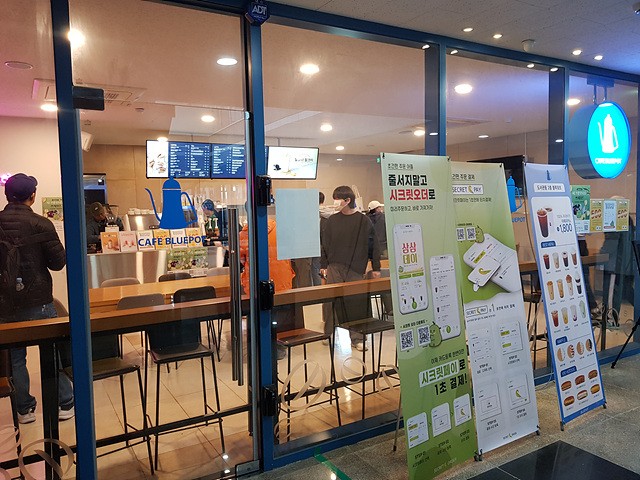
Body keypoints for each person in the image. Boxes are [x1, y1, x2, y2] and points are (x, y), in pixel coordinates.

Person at [0, 173, 74, 423]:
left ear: (7, 195)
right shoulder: (42, 224)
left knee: (15, 358)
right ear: (32, 196)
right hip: (39, 301)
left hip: (5, 304)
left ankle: (24, 410)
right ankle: (65, 403)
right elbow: (58, 263)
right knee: (50, 352)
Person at [320, 186, 381, 351]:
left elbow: (373, 245)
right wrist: (324, 265)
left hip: (355, 268)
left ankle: (357, 338)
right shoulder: (332, 221)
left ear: (348, 200)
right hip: (334, 266)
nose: (335, 202)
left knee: (355, 303)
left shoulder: (363, 221)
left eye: (337, 199)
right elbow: (325, 244)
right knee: (331, 301)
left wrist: (376, 266)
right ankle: (328, 333)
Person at [239, 218, 296, 360]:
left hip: (257, 282)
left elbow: (242, 259)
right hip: (281, 280)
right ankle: (278, 347)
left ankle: (261, 348)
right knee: (278, 316)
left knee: (258, 316)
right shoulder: (280, 229)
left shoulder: (245, 234)